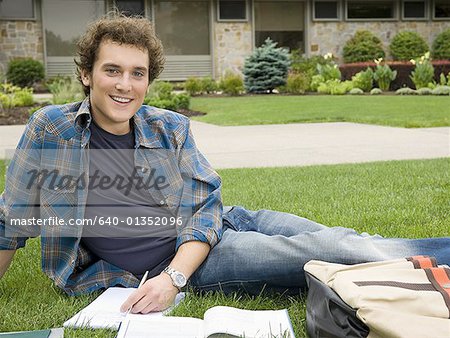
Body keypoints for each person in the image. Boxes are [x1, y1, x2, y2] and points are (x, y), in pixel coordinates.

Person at [0, 14, 448, 316]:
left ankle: (435, 266)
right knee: (329, 255)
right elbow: (11, 221)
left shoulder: (168, 127)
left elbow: (204, 207)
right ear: (86, 74)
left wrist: (174, 279)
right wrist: (173, 277)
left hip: (223, 222)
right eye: (112, 70)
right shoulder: (51, 130)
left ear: (149, 80)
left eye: (138, 73)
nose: (125, 85)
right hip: (198, 260)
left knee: (346, 242)